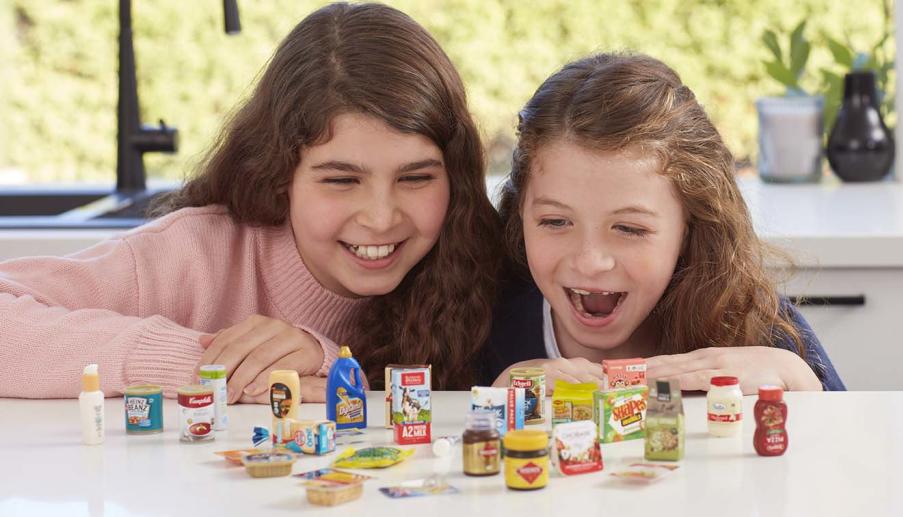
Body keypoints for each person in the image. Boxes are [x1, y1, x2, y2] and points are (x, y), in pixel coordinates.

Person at [0, 3, 500, 401]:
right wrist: (203, 363)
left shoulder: (482, 267)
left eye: (415, 178)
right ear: (281, 173)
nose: (380, 217)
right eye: (341, 181)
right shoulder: (194, 254)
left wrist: (322, 360)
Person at [483, 53, 844, 394]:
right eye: (556, 221)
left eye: (629, 229)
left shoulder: (755, 327)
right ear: (521, 215)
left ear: (689, 227)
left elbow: (854, 453)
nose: (590, 261)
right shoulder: (482, 330)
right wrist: (487, 408)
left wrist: (800, 381)